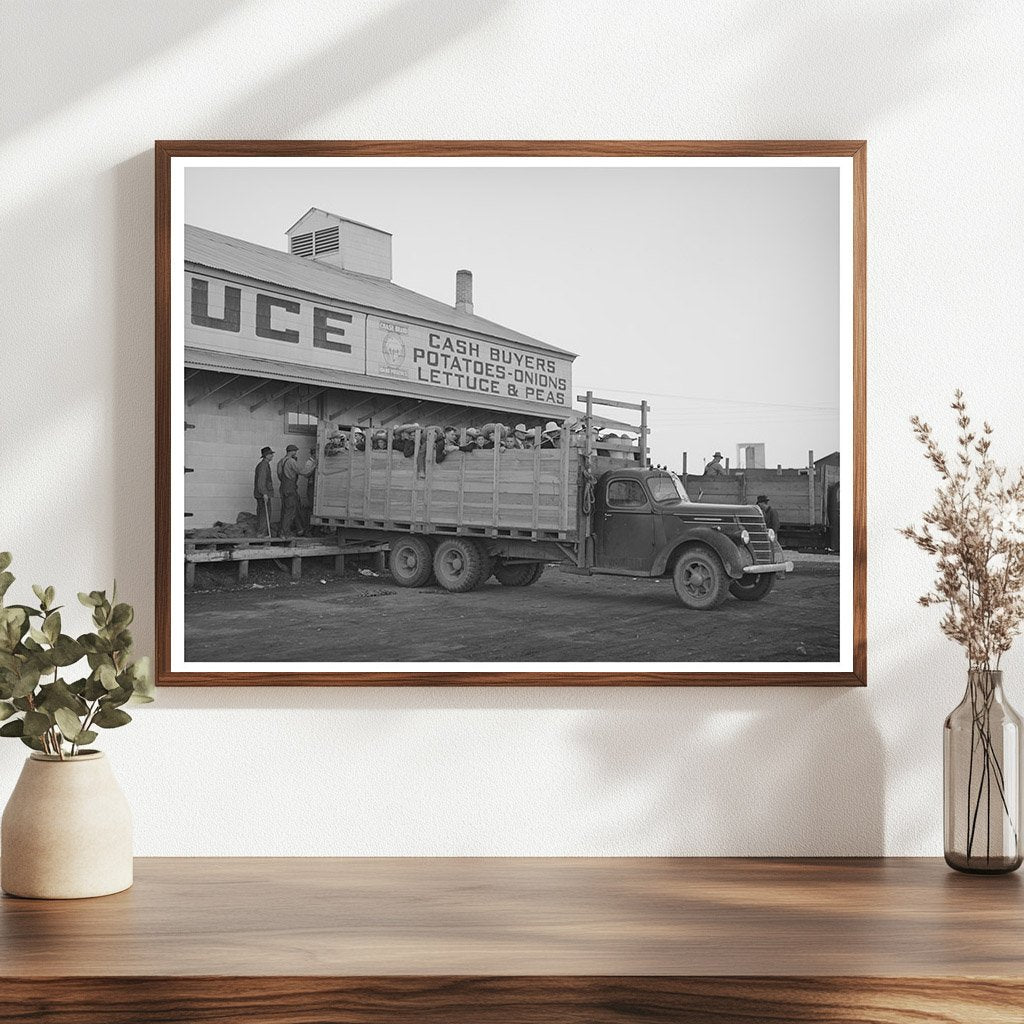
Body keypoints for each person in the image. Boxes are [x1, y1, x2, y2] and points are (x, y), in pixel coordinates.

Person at [277, 444, 313, 537]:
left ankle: (287, 531)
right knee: (290, 511)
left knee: (285, 510)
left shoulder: (281, 461)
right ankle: (284, 533)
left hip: (283, 489)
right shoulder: (291, 461)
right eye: (295, 451)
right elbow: (302, 472)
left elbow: (280, 476)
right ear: (292, 451)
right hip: (290, 489)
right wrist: (313, 467)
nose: (296, 453)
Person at [253, 446, 275, 537]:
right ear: (266, 455)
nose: (272, 456)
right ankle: (261, 533)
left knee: (262, 513)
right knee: (264, 514)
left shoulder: (263, 465)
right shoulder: (263, 465)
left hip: (261, 493)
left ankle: (261, 532)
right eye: (271, 454)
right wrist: (264, 493)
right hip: (263, 494)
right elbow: (261, 481)